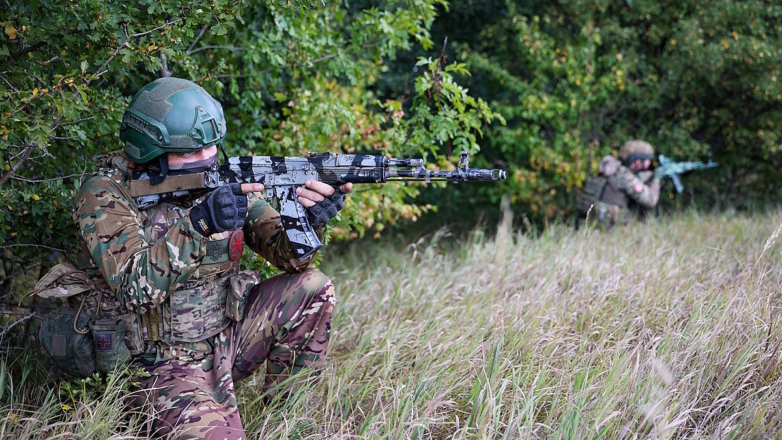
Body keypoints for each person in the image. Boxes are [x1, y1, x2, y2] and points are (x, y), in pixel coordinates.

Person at [58, 77, 351, 438]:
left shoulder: (217, 180)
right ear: (152, 152)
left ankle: (285, 423)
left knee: (313, 289)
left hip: (225, 339)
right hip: (155, 362)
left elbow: (289, 257)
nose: (207, 159)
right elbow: (136, 289)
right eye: (191, 151)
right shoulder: (103, 195)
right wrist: (198, 224)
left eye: (211, 147)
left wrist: (309, 220)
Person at [576, 140, 660, 227]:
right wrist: (657, 179)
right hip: (609, 230)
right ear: (638, 161)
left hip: (590, 225)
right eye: (647, 160)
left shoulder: (609, 170)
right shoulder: (625, 176)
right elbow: (651, 200)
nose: (649, 163)